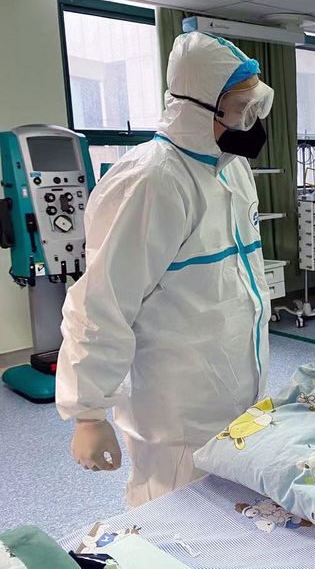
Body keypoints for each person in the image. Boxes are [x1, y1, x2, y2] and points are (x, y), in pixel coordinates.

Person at [56, 31, 273, 507]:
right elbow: (102, 303)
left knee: (234, 519)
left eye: (257, 106)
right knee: (176, 521)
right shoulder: (150, 181)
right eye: (241, 109)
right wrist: (89, 413)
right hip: (178, 410)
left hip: (240, 389)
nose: (251, 122)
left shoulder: (232, 168)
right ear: (198, 107)